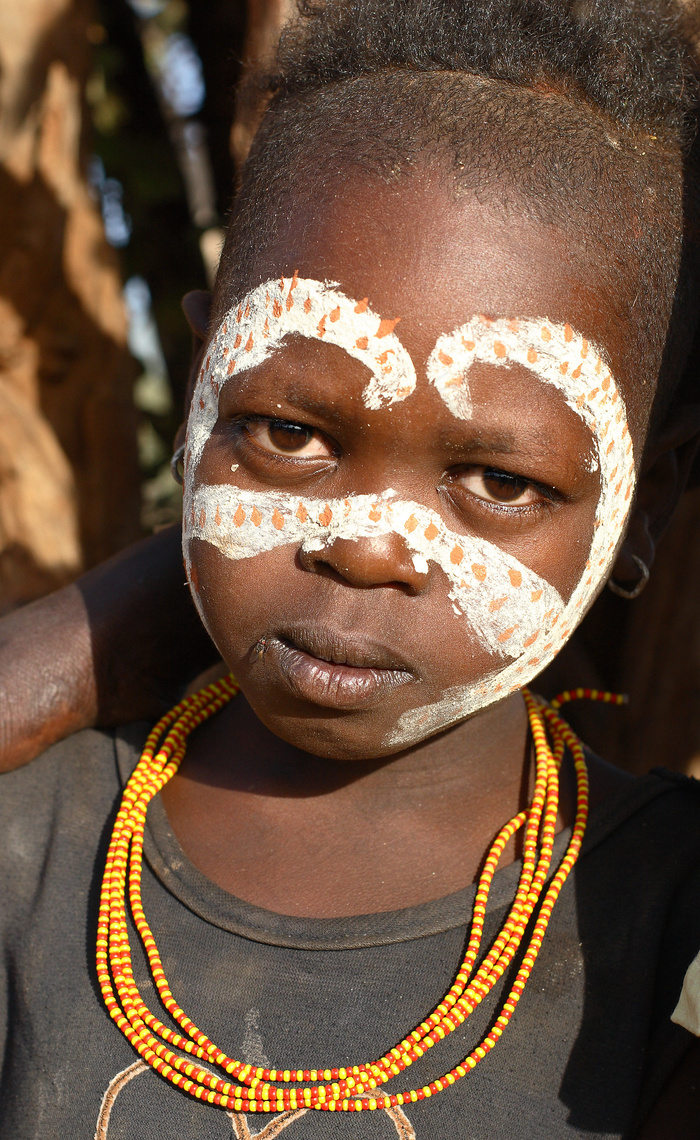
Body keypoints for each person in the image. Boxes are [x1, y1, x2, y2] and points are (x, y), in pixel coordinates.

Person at [2, 0, 700, 1136]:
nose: (368, 543)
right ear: (197, 395)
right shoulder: (30, 842)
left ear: (641, 505)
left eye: (501, 482)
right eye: (287, 433)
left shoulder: (663, 915)